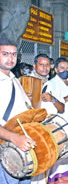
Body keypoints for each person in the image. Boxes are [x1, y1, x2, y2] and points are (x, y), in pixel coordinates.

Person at [36, 57, 68, 184]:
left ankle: (62, 174)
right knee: (57, 150)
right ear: (55, 70)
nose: (65, 70)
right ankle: (51, 178)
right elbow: (56, 104)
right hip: (60, 122)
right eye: (62, 68)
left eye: (67, 67)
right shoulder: (51, 84)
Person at [0, 37, 36, 184]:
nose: (10, 58)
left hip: (21, 147)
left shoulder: (14, 79)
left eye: (14, 54)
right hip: (5, 148)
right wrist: (15, 138)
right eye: (5, 54)